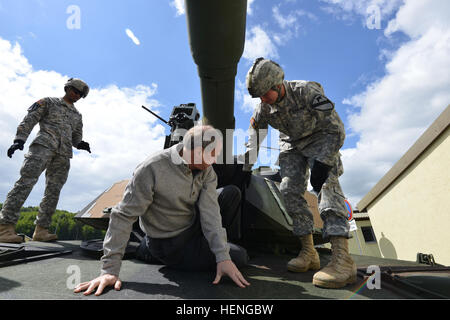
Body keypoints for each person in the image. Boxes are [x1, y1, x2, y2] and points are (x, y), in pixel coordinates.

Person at [74, 125, 250, 296]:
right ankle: (149, 250)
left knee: (230, 193)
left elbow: (210, 212)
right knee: (240, 256)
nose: (216, 158)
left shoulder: (207, 171)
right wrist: (109, 270)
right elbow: (123, 215)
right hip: (170, 241)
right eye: (213, 153)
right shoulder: (152, 168)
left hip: (190, 225)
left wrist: (222, 256)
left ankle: (208, 249)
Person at [241, 57, 356, 289]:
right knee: (288, 190)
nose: (263, 100)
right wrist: (243, 168)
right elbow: (254, 140)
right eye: (259, 96)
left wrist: (324, 162)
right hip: (292, 144)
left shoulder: (306, 92)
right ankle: (308, 252)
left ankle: (342, 260)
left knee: (326, 186)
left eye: (266, 93)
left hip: (320, 138)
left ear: (277, 85)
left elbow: (336, 129)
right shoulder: (263, 107)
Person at [0, 78, 91, 243]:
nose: (77, 95)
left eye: (80, 94)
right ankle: (5, 227)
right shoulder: (49, 102)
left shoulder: (77, 115)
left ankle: (41, 230)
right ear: (68, 88)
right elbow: (30, 119)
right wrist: (19, 139)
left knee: (53, 192)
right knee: (25, 183)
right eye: (75, 91)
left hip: (63, 155)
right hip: (43, 147)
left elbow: (76, 136)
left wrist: (80, 144)